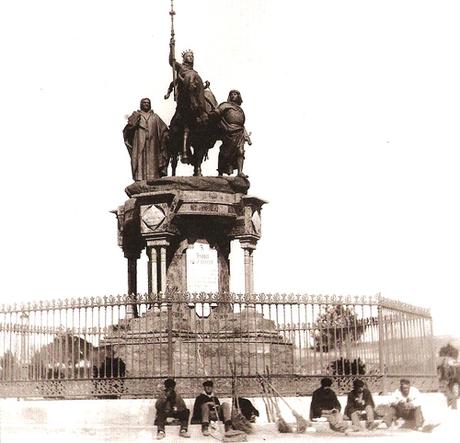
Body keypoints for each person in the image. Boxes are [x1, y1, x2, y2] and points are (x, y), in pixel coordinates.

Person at [168, 38, 208, 163]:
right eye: (188, 56)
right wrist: (171, 47)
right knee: (177, 122)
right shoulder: (180, 68)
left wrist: (204, 86)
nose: (190, 58)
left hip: (195, 99)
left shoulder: (194, 72)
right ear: (184, 58)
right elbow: (171, 61)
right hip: (184, 101)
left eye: (191, 56)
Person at [123, 98, 169, 181]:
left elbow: (164, 130)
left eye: (148, 103)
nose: (146, 104)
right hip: (140, 144)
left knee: (153, 160)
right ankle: (140, 177)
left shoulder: (155, 117)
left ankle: (154, 178)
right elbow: (127, 131)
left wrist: (166, 135)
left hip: (153, 144)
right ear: (141, 104)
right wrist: (132, 125)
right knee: (140, 160)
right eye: (144, 103)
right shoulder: (136, 115)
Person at [214, 90, 252, 177]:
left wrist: (247, 137)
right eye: (231, 94)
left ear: (238, 96)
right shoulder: (225, 105)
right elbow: (217, 113)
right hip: (228, 131)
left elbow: (242, 125)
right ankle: (220, 172)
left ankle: (240, 172)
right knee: (225, 152)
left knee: (241, 151)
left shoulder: (240, 110)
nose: (233, 96)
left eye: (235, 94)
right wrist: (215, 113)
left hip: (240, 132)